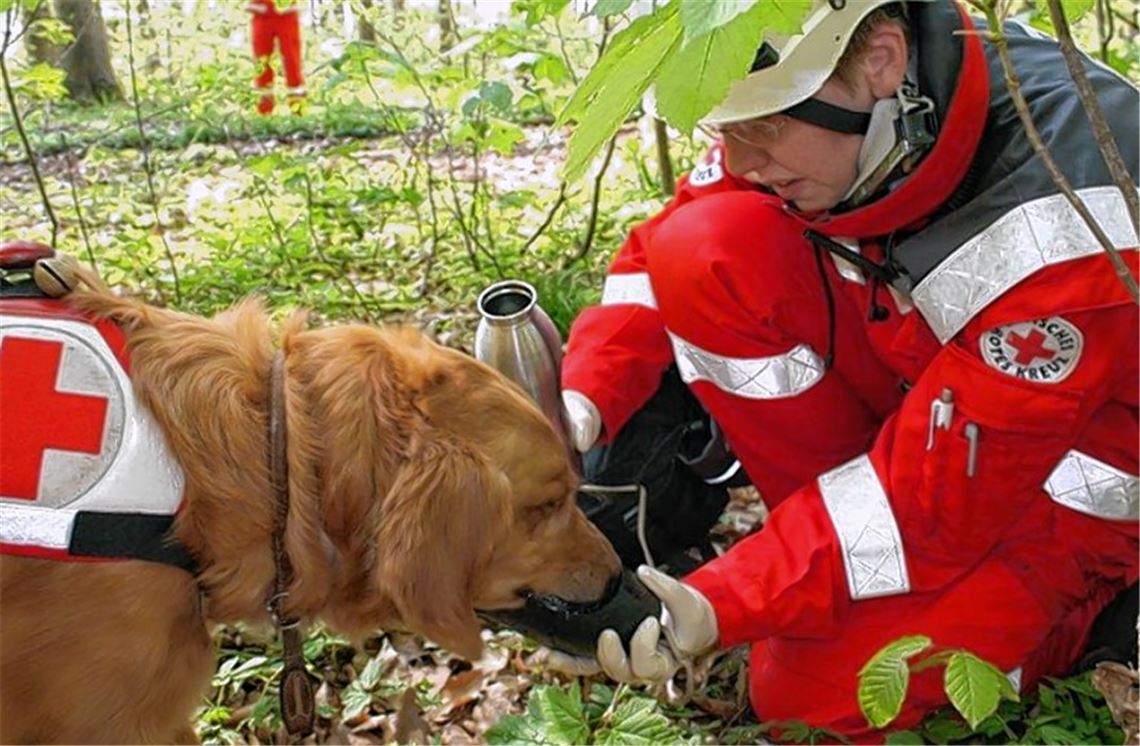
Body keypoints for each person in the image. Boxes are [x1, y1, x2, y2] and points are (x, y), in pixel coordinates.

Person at [559, 0, 1139, 736]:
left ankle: (1098, 614)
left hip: (1067, 486)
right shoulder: (856, 105)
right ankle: (830, 557)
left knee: (813, 698)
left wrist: (726, 600)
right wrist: (583, 396)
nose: (740, 161)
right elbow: (666, 246)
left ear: (882, 61)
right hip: (934, 419)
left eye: (762, 129)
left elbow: (934, 504)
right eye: (725, 131)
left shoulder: (1062, 223)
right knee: (702, 246)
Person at [247, 0, 305, 115]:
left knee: (292, 61)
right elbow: (249, 5)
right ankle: (264, 110)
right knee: (262, 63)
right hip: (262, 16)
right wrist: (257, 7)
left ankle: (297, 108)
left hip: (287, 15)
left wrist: (293, 7)